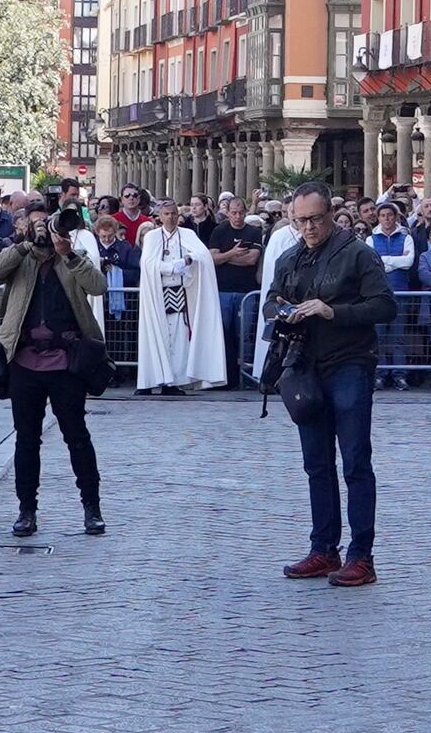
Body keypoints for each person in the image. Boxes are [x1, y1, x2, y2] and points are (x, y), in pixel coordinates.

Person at [259, 188, 394, 586]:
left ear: (330, 214)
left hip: (350, 362)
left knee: (354, 462)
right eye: (300, 221)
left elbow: (385, 305)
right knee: (316, 464)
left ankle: (361, 556)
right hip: (305, 366)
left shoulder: (358, 253)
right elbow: (269, 302)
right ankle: (323, 549)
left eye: (315, 219)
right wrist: (285, 311)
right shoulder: (290, 257)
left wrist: (332, 310)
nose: (309, 227)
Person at [0, 206, 107, 541]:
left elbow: (98, 286)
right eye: (37, 226)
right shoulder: (20, 258)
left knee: (77, 437)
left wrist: (69, 253)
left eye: (45, 227)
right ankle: (26, 510)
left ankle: (92, 509)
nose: (44, 233)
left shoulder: (70, 257)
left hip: (66, 364)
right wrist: (22, 244)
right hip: (23, 363)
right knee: (26, 439)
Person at [129, 207, 226, 394]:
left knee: (179, 336)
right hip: (158, 291)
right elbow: (148, 263)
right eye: (166, 214)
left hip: (180, 291)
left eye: (174, 213)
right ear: (160, 216)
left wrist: (188, 260)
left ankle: (174, 381)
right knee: (155, 335)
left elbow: (203, 254)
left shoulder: (187, 234)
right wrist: (171, 267)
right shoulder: (152, 237)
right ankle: (151, 380)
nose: (171, 217)